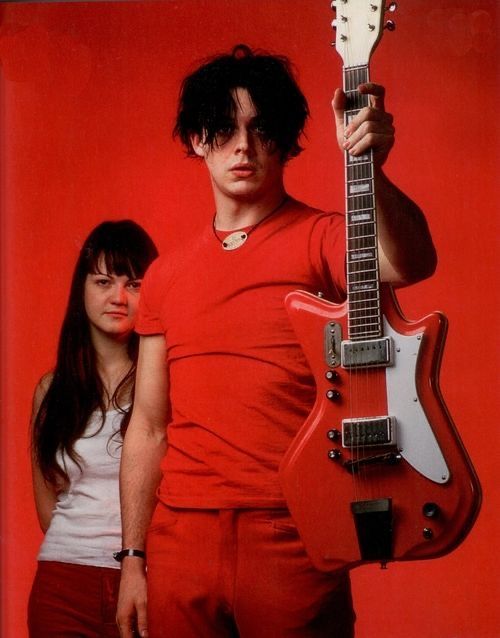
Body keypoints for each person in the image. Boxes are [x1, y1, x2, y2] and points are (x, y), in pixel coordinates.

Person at [116, 45, 437, 638]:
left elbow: (410, 260)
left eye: (261, 129)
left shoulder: (321, 238)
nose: (242, 147)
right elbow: (148, 425)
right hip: (179, 538)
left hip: (291, 533)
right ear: (195, 140)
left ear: (286, 141)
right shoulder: (164, 273)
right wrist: (132, 558)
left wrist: (375, 166)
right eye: (223, 128)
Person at [28, 220, 158, 637]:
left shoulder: (166, 381)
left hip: (148, 579)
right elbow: (48, 508)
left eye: (134, 285)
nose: (118, 297)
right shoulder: (51, 390)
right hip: (64, 581)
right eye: (103, 281)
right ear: (81, 289)